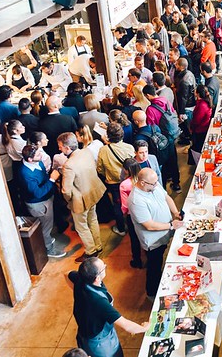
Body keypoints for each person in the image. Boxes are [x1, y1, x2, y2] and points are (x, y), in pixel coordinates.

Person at [68, 257, 147, 357]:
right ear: (97, 278)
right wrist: (145, 328)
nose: (105, 266)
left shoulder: (80, 279)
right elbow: (127, 326)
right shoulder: (99, 302)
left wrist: (79, 294)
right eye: (104, 267)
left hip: (86, 332)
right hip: (100, 343)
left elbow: (67, 273)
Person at [130, 168, 183, 298]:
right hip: (153, 241)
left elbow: (166, 198)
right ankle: (152, 293)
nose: (156, 185)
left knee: (161, 259)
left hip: (165, 233)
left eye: (156, 182)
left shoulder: (153, 184)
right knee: (154, 267)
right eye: (153, 184)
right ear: (142, 182)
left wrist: (176, 212)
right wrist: (171, 225)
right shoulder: (136, 200)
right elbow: (149, 225)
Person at [59, 133, 106, 262]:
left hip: (79, 200)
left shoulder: (68, 165)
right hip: (92, 193)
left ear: (67, 148)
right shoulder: (87, 152)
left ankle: (91, 251)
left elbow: (66, 190)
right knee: (93, 219)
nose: (59, 149)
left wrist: (69, 200)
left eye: (60, 146)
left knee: (81, 227)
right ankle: (98, 245)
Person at [17, 144, 65, 257]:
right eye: (38, 155)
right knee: (45, 227)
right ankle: (48, 249)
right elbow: (37, 193)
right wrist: (52, 180)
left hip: (47, 197)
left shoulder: (37, 162)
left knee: (48, 223)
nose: (41, 156)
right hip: (39, 204)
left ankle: (47, 240)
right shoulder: (25, 174)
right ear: (30, 159)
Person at [96, 124, 135, 237]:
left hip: (113, 182)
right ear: (122, 135)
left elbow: (100, 168)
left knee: (117, 205)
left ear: (108, 136)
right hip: (129, 181)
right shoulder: (129, 147)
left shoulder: (103, 150)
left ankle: (121, 228)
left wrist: (107, 175)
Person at [190, 85, 213, 160]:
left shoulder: (202, 105)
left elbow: (197, 120)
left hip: (200, 130)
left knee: (197, 148)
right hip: (202, 128)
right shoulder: (204, 102)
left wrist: (191, 128)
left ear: (198, 94)